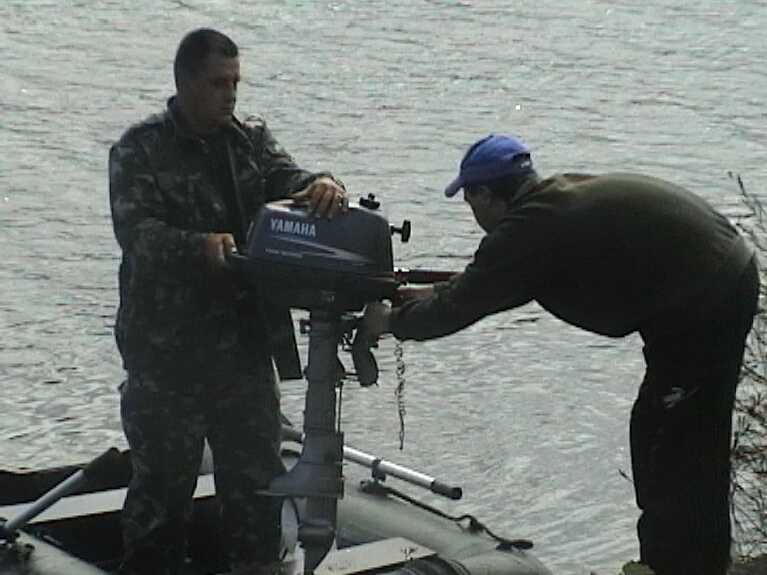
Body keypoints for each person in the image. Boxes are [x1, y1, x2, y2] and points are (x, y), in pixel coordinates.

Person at [361, 134, 759, 575]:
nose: (472, 213)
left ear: (485, 193)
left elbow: (459, 308)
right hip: (717, 278)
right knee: (665, 431)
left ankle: (681, 566)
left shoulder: (527, 230)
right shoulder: (549, 205)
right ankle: (684, 561)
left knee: (675, 445)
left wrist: (389, 322)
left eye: (470, 200)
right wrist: (431, 293)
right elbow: (495, 283)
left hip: (706, 299)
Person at [108, 28, 348, 575]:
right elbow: (137, 235)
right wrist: (198, 247)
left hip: (243, 349)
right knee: (162, 493)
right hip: (167, 356)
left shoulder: (249, 140)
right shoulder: (140, 149)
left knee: (258, 485)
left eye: (236, 82)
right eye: (219, 83)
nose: (231, 94)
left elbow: (290, 177)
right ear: (185, 82)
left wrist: (323, 183)